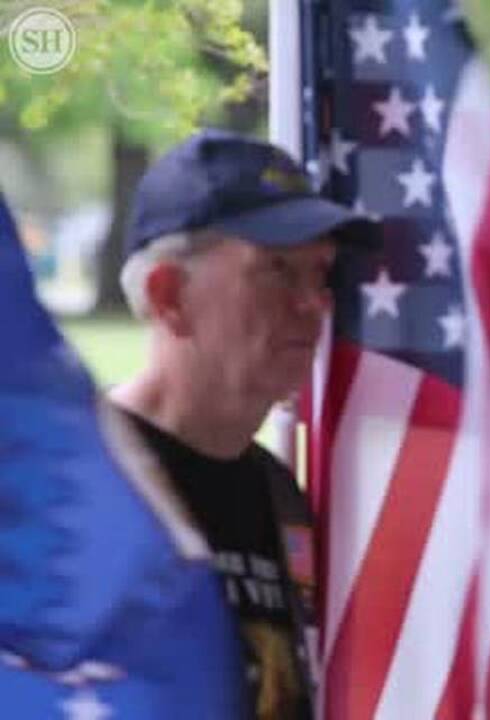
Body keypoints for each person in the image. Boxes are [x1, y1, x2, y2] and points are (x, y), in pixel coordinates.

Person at [107, 129, 374, 719]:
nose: (315, 304)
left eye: (321, 273)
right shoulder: (66, 477)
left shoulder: (282, 501)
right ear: (170, 295)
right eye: (277, 269)